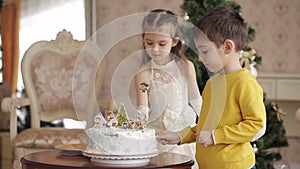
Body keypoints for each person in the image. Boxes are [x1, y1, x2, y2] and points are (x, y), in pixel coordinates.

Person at [156, 6, 266, 169]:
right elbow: (205, 127)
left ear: (227, 47)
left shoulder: (245, 83)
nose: (200, 59)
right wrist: (180, 136)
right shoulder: (212, 84)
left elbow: (257, 126)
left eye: (205, 51)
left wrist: (216, 136)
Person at [134, 9, 202, 167]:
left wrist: (210, 127)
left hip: (184, 135)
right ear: (143, 39)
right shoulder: (143, 74)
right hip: (159, 137)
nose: (155, 49)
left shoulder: (186, 67)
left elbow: (196, 100)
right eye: (149, 43)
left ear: (175, 41)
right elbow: (142, 110)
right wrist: (134, 133)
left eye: (161, 43)